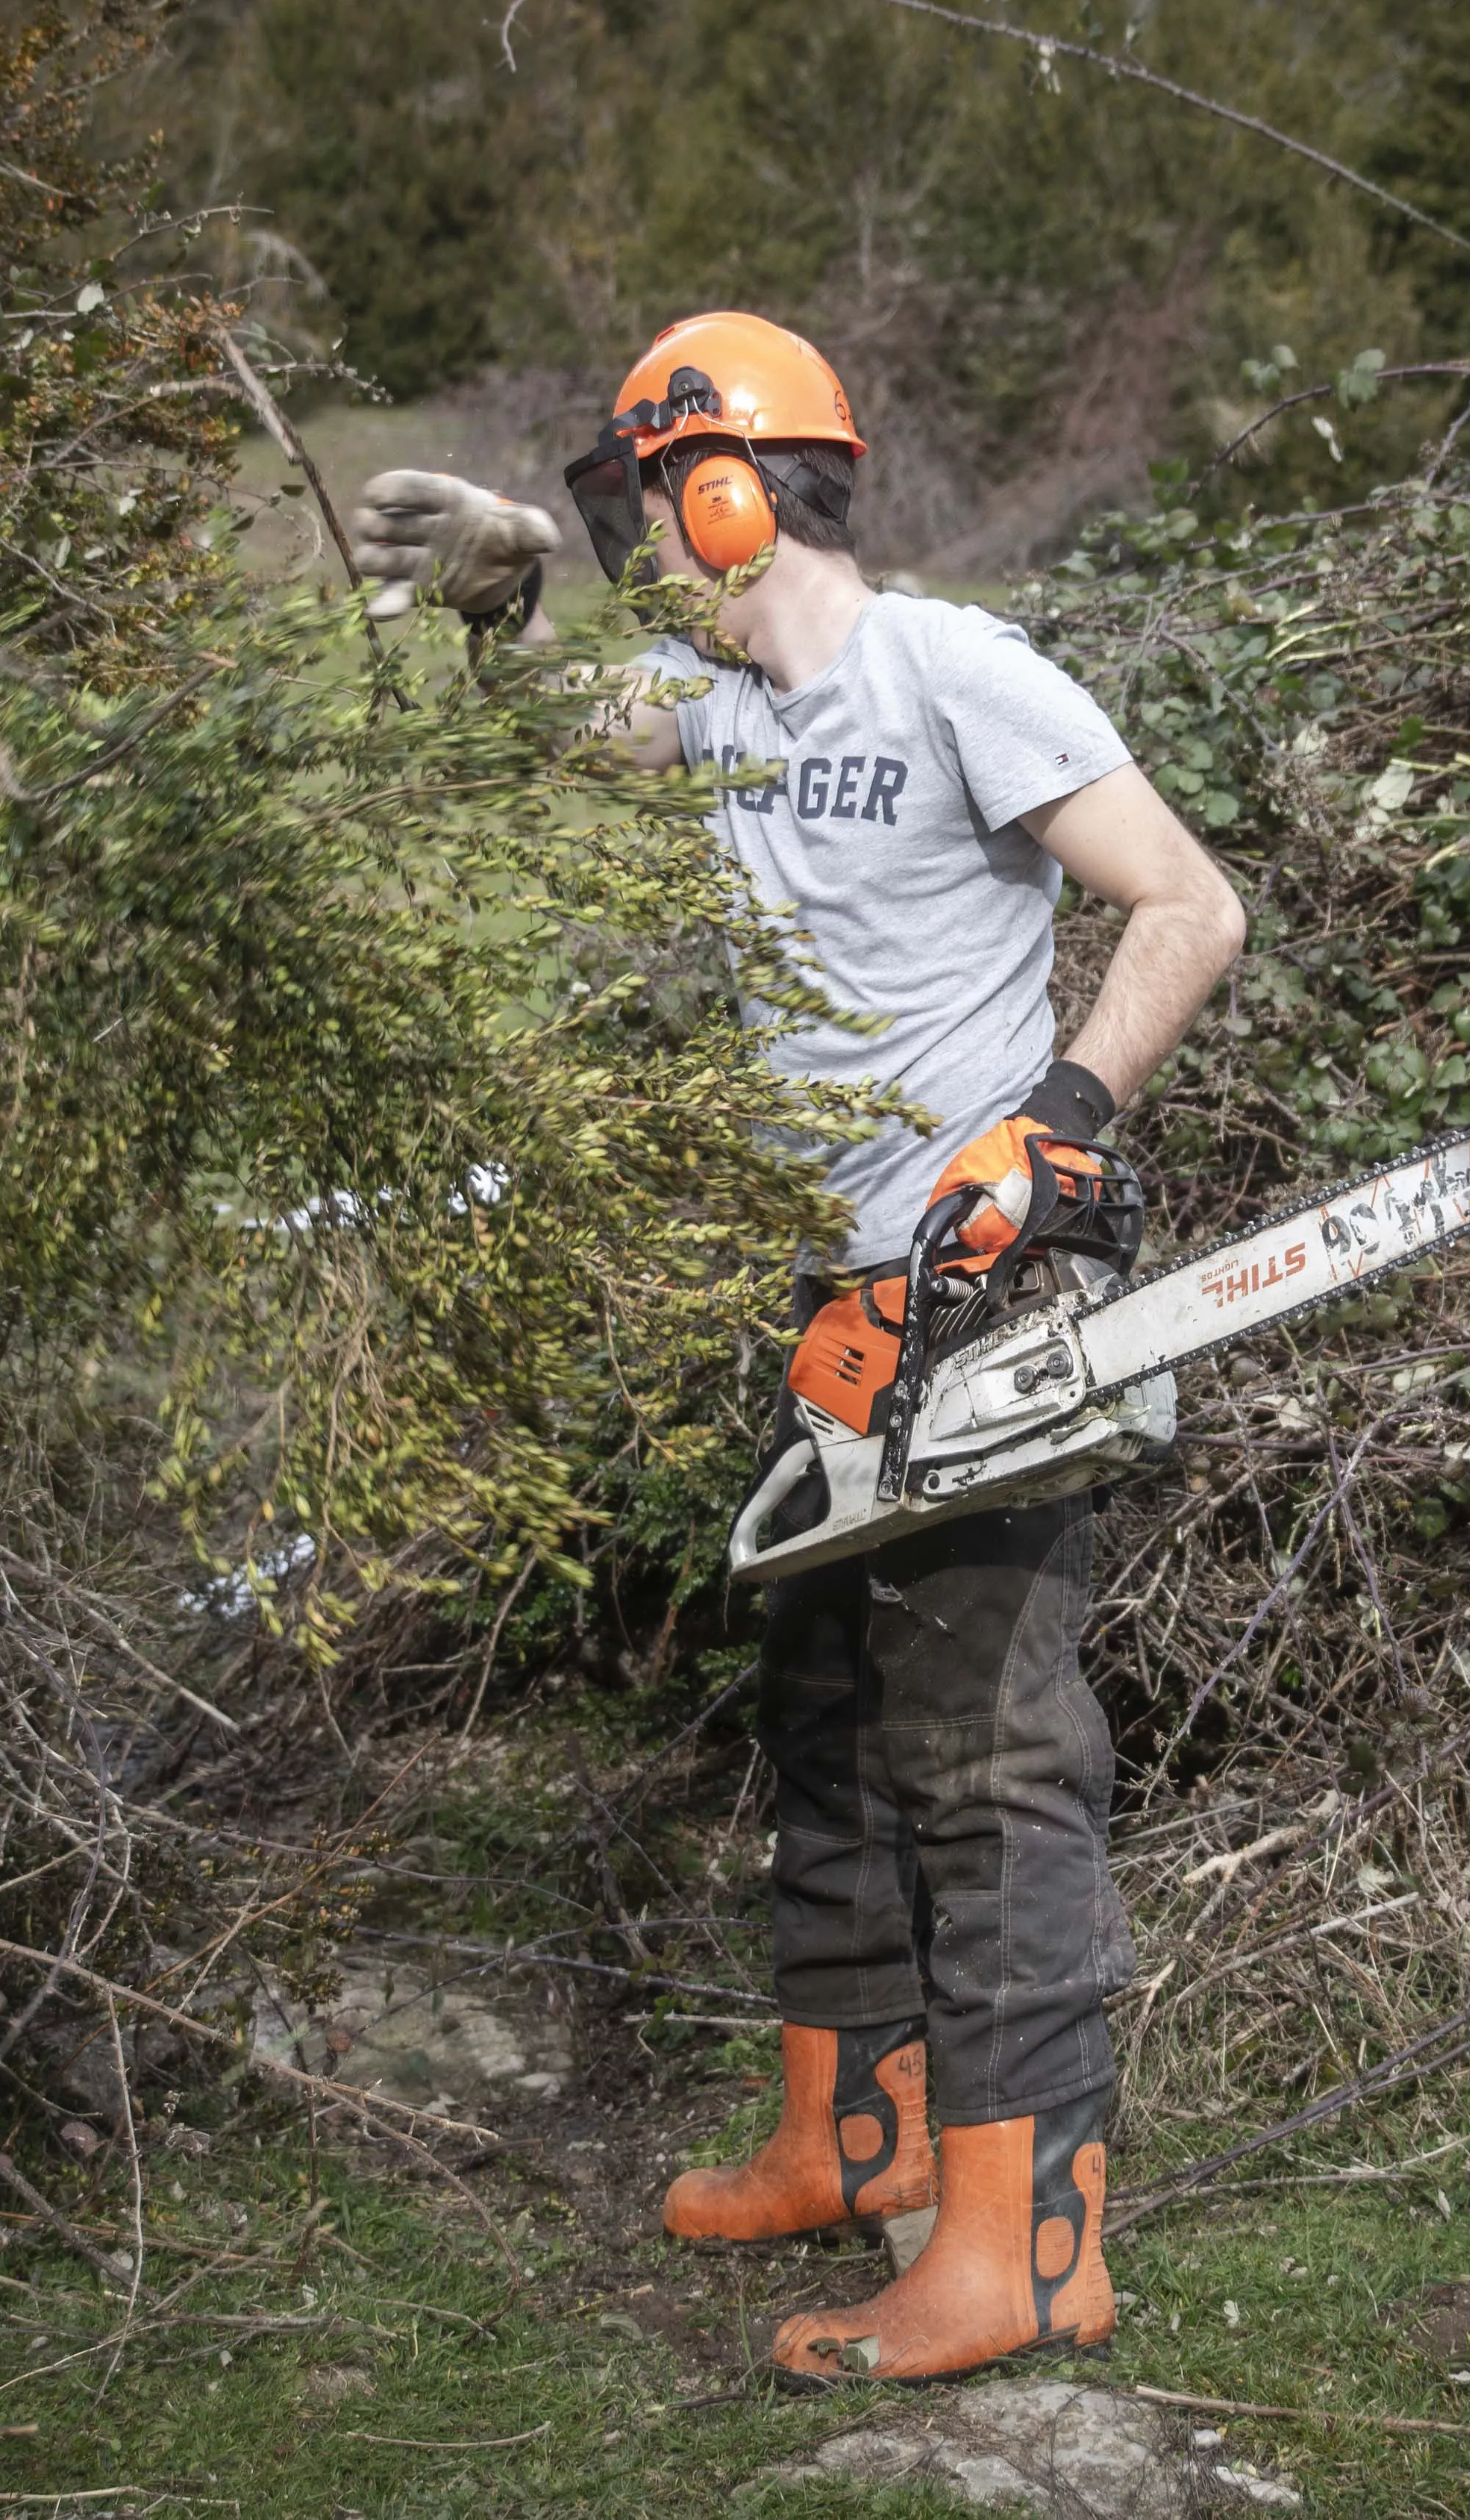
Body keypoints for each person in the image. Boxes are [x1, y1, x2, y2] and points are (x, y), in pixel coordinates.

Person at [351, 311, 1247, 2383]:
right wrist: (502, 594)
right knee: (830, 1722)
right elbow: (558, 742)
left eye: (641, 502)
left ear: (735, 485)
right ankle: (854, 2133)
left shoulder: (954, 671)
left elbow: (1186, 908)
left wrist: (1066, 1121)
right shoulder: (718, 709)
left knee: (992, 1760)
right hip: (828, 1296)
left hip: (990, 1295)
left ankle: (1029, 2247)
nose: (641, 540)